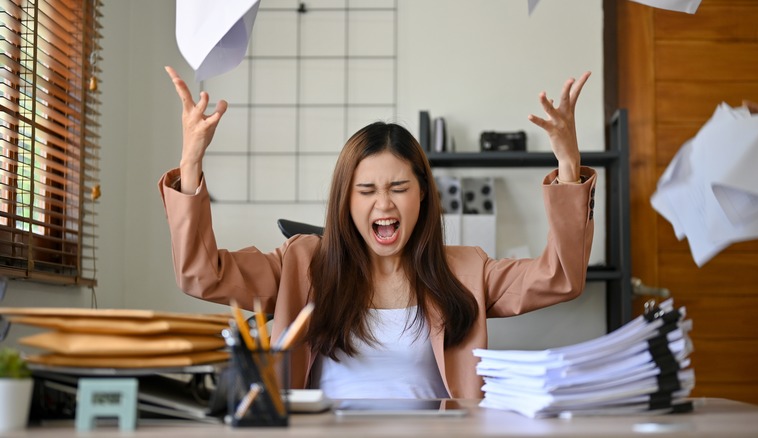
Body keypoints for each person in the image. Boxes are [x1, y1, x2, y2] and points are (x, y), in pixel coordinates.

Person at [159, 66, 596, 399]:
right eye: (365, 190)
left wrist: (568, 167)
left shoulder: (465, 269)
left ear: (422, 193)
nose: (383, 204)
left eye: (399, 188)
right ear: (345, 201)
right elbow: (202, 274)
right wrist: (192, 164)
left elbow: (560, 276)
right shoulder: (301, 262)